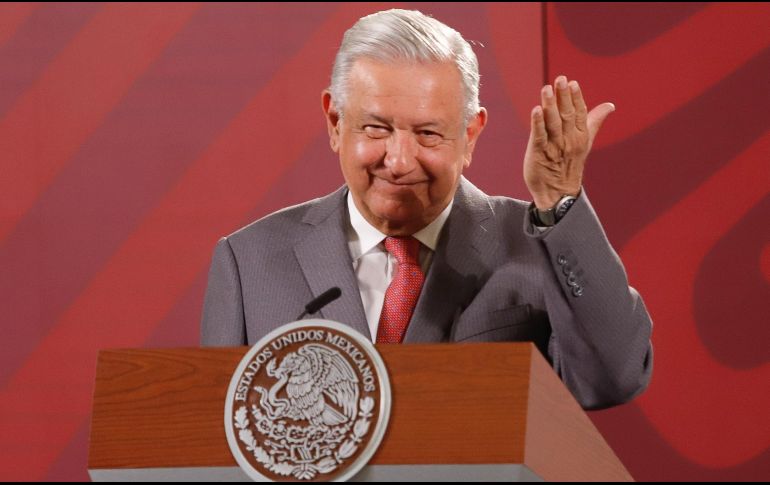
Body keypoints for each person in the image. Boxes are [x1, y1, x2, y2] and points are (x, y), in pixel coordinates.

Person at [201, 9, 652, 410]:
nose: (399, 161)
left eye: (428, 134)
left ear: (470, 135)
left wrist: (559, 199)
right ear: (335, 123)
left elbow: (613, 379)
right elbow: (215, 438)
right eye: (376, 129)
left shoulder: (537, 246)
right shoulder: (249, 261)